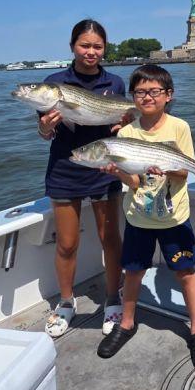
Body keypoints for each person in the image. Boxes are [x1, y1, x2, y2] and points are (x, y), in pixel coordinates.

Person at [96, 64, 195, 368]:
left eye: (154, 91)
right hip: (139, 217)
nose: (147, 97)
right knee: (133, 272)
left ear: (168, 95)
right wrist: (118, 171)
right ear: (132, 97)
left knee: (186, 271)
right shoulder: (125, 132)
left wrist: (166, 166)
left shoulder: (179, 128)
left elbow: (185, 171)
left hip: (174, 217)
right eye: (139, 92)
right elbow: (134, 183)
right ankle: (126, 323)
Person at [38, 19, 128, 338]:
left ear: (105, 49)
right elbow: (44, 132)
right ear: (72, 46)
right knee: (66, 243)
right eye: (84, 45)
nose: (91, 52)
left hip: (105, 169)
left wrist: (125, 126)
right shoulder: (53, 84)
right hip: (65, 170)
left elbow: (122, 126)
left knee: (111, 239)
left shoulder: (115, 83)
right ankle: (65, 302)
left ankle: (113, 298)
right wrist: (46, 127)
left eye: (97, 46)